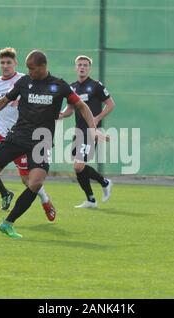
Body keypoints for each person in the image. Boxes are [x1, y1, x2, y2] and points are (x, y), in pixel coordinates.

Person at [0, 49, 97, 238]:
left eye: (32, 68)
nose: (29, 72)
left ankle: (8, 223)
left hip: (41, 141)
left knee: (34, 183)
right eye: (27, 68)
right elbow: (2, 101)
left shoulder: (59, 85)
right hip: (17, 136)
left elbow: (82, 106)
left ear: (43, 67)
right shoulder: (24, 82)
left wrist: (93, 129)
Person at [0, 47, 56, 218]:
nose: (5, 65)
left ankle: (45, 200)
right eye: (2, 63)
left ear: (15, 63)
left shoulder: (25, 79)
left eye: (9, 62)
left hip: (19, 136)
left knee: (28, 181)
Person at [59, 55, 114, 208]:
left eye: (85, 65)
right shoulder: (72, 87)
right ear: (75, 67)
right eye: (79, 65)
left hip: (91, 131)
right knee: (78, 167)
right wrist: (61, 115)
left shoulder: (96, 86)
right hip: (78, 131)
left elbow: (110, 104)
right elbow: (69, 110)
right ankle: (91, 199)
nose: (82, 67)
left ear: (89, 68)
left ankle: (105, 182)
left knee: (78, 166)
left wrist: (97, 118)